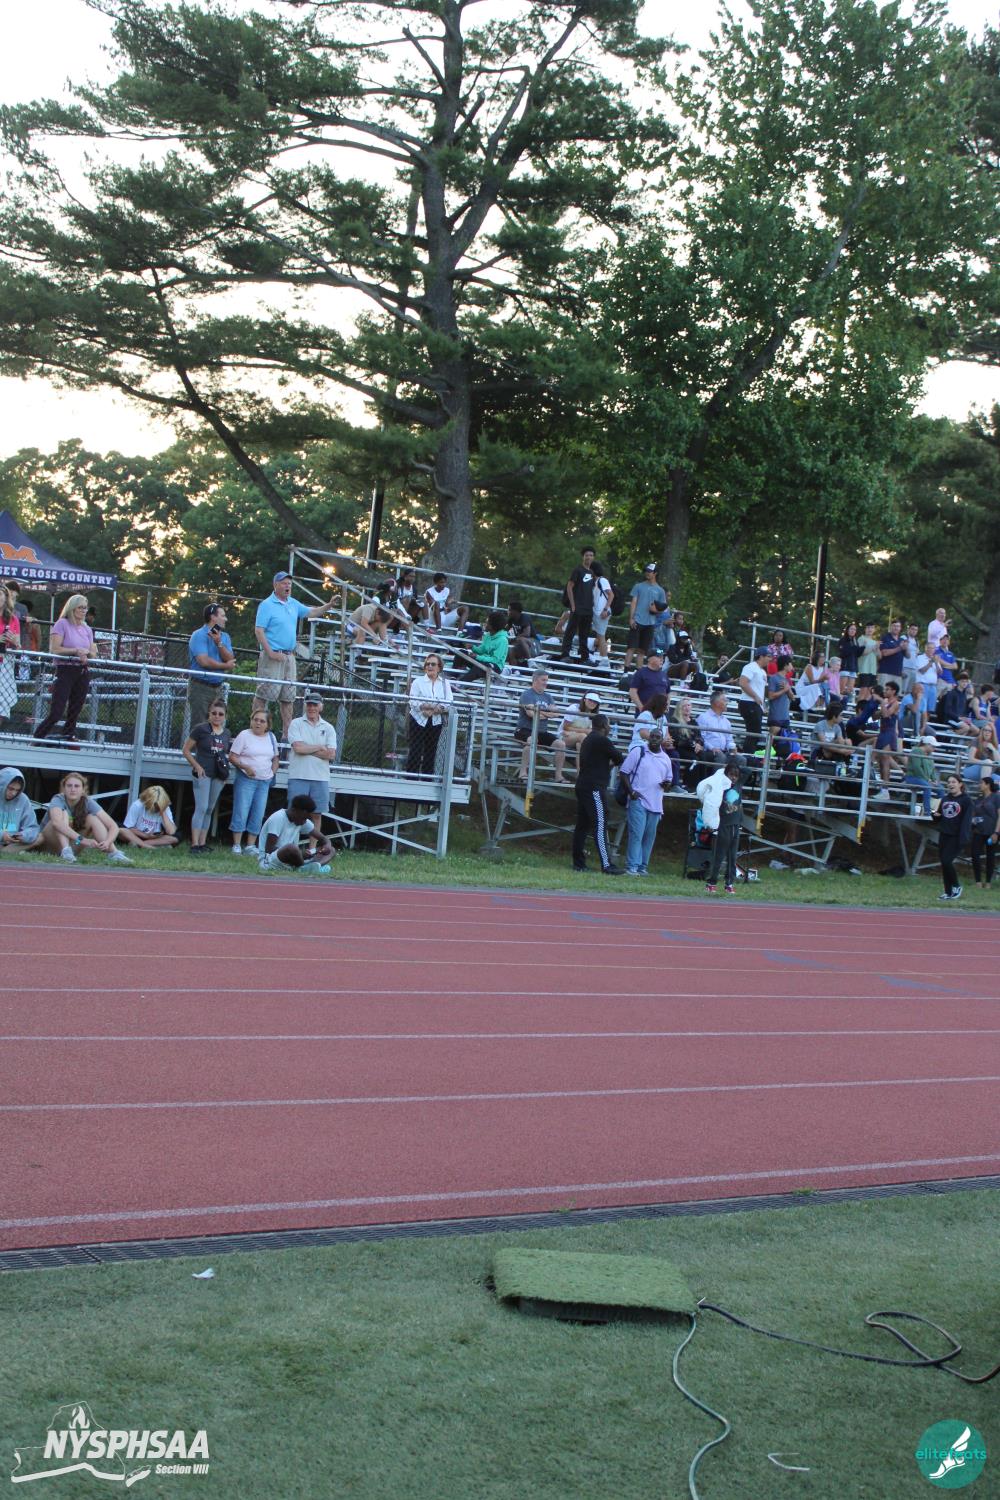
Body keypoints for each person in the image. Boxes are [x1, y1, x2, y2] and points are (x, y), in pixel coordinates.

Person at [254, 570, 337, 736]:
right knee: (264, 694)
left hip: (289, 656)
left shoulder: (293, 603)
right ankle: (255, 731)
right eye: (284, 583)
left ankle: (287, 735)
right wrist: (270, 653)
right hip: (272, 656)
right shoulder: (266, 605)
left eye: (290, 584)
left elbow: (311, 612)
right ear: (275, 585)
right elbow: (259, 630)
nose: (288, 586)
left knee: (288, 697)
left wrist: (328, 605)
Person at [32, 594, 97, 743]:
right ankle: (37, 738)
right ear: (72, 608)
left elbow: (93, 652)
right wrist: (75, 651)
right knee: (57, 711)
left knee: (75, 710)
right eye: (80, 607)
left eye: (85, 608)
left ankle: (68, 737)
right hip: (65, 670)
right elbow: (55, 649)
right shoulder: (62, 624)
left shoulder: (87, 629)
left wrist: (87, 653)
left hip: (82, 671)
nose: (84, 611)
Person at [29, 772, 132, 863]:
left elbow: (113, 825)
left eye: (77, 786)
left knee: (92, 818)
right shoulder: (58, 799)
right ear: (64, 789)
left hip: (73, 845)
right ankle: (66, 851)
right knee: (63, 815)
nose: (73, 789)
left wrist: (108, 841)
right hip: (47, 845)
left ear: (83, 790)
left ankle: (113, 853)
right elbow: (57, 823)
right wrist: (83, 840)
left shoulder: (87, 801)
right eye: (69, 786)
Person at [572, 713, 624, 874]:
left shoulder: (588, 739)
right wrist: (610, 764)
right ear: (603, 726)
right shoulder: (602, 740)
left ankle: (578, 863)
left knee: (582, 825)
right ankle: (606, 865)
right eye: (608, 725)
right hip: (594, 787)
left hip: (582, 785)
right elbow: (619, 757)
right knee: (600, 823)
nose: (609, 728)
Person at [182, 699, 232, 853]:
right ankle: (194, 844)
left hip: (218, 775)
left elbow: (225, 755)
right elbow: (186, 750)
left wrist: (225, 775)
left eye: (220, 714)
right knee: (201, 807)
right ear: (209, 714)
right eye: (214, 713)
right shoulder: (201, 729)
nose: (217, 716)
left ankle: (202, 843)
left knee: (210, 808)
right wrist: (196, 766)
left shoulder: (226, 733)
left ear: (225, 716)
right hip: (203, 774)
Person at [621, 727, 673, 876]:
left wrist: (666, 785)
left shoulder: (666, 758)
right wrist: (631, 792)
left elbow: (669, 781)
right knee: (636, 834)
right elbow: (624, 773)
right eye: (652, 736)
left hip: (656, 803)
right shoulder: (639, 751)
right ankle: (632, 866)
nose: (654, 739)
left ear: (662, 740)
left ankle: (642, 867)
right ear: (648, 737)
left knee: (649, 837)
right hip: (639, 800)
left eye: (658, 737)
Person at [229, 708, 279, 854]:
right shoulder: (244, 735)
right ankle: (236, 844)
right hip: (246, 779)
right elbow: (232, 756)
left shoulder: (271, 737)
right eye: (255, 720)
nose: (258, 723)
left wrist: (272, 773)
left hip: (264, 781)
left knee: (258, 812)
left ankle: (250, 845)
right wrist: (245, 767)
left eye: (262, 721)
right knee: (241, 810)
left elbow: (276, 758)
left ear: (268, 724)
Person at [287, 690, 338, 813]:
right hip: (298, 776)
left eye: (315, 705)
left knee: (317, 814)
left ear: (321, 707)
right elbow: (298, 748)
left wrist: (305, 749)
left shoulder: (329, 727)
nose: (312, 708)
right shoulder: (295, 723)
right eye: (309, 704)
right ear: (305, 706)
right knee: (295, 813)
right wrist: (320, 746)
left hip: (321, 778)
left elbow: (331, 754)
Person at [697, 761, 744, 894]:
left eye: (736, 775)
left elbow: (748, 771)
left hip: (735, 825)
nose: (733, 778)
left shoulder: (738, 786)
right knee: (719, 856)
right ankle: (711, 882)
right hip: (723, 825)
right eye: (731, 775)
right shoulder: (720, 786)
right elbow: (711, 804)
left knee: (732, 857)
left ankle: (729, 883)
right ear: (725, 774)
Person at [257, 794, 334, 873]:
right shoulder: (278, 818)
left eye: (306, 818)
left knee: (331, 850)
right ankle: (303, 868)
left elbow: (324, 839)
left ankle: (312, 866)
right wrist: (299, 854)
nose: (304, 822)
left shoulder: (301, 820)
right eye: (303, 818)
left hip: (293, 858)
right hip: (269, 860)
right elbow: (269, 849)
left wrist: (327, 846)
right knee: (291, 848)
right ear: (294, 810)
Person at [515, 669, 567, 783]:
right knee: (532, 740)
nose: (545, 683)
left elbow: (557, 714)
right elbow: (531, 714)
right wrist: (547, 713)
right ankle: (523, 772)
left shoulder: (548, 696)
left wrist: (539, 712)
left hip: (541, 731)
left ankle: (558, 776)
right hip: (524, 729)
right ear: (535, 680)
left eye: (546, 680)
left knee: (561, 744)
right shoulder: (527, 694)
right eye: (543, 680)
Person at [187, 602, 235, 726]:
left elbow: (230, 658)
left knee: (216, 726)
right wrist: (225, 666)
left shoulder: (225, 637)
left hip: (218, 688)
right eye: (223, 616)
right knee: (199, 726)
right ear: (213, 617)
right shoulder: (198, 635)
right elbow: (203, 661)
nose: (226, 619)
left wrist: (218, 643)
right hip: (200, 687)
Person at [407, 652, 454, 774]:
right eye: (427, 664)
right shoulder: (418, 682)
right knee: (415, 750)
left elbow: (449, 702)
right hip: (417, 720)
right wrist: (427, 706)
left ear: (439, 667)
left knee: (431, 751)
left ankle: (427, 779)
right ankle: (411, 779)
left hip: (435, 721)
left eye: (433, 664)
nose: (429, 666)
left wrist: (433, 710)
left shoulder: (445, 683)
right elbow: (412, 701)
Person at [932, 772, 971, 900]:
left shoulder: (966, 800)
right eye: (949, 782)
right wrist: (935, 815)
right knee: (944, 863)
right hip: (944, 834)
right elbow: (938, 817)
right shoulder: (945, 799)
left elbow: (967, 821)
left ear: (960, 784)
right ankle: (948, 891)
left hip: (956, 836)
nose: (950, 784)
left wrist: (963, 838)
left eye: (954, 782)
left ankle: (956, 886)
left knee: (947, 860)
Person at [624, 564, 667, 670]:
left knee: (642, 650)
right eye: (646, 571)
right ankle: (625, 672)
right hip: (637, 620)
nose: (647, 573)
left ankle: (639, 673)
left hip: (650, 623)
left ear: (655, 573)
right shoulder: (638, 586)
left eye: (650, 571)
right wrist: (631, 618)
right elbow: (634, 602)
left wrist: (656, 610)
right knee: (631, 647)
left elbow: (663, 608)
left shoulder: (660, 590)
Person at [560, 546, 597, 665]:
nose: (589, 557)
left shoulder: (592, 573)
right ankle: (565, 655)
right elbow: (569, 586)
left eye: (591, 555)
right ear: (583, 557)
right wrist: (573, 604)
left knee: (584, 634)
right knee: (570, 631)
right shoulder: (578, 570)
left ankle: (584, 657)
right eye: (587, 555)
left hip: (588, 608)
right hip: (577, 606)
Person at [969, 775, 1000, 889]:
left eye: (981, 783)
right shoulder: (978, 799)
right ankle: (978, 881)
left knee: (990, 856)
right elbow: (973, 814)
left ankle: (988, 882)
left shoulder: (996, 797)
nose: (979, 785)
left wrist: (996, 832)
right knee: (975, 854)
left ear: (988, 785)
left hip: (991, 832)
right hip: (978, 830)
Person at [696, 689, 741, 766]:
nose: (727, 702)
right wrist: (712, 748)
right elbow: (701, 738)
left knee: (741, 759)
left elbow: (729, 740)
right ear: (717, 703)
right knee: (721, 756)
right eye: (724, 700)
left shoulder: (726, 721)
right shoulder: (703, 717)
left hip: (724, 752)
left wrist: (732, 748)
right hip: (708, 752)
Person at [738, 646, 770, 755]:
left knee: (755, 733)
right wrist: (755, 696)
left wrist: (763, 706)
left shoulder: (763, 672)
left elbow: (762, 691)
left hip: (756, 704)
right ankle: (748, 757)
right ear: (761, 656)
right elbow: (743, 683)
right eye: (768, 656)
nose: (770, 659)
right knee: (753, 733)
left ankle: (750, 756)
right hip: (749, 702)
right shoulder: (751, 667)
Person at [903, 736, 944, 817]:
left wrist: (934, 780)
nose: (934, 748)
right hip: (913, 777)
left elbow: (932, 769)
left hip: (924, 779)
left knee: (941, 789)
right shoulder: (916, 751)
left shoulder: (930, 754)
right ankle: (927, 813)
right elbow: (917, 768)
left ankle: (936, 810)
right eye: (933, 746)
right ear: (927, 744)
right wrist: (928, 780)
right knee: (927, 787)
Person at [462, 610, 508, 681]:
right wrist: (473, 647)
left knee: (481, 666)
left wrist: (477, 657)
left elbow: (495, 660)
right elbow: (481, 650)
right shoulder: (488, 635)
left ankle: (459, 684)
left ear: (492, 625)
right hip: (483, 661)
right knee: (462, 653)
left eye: (487, 622)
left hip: (495, 666)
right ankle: (453, 677)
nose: (485, 624)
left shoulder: (503, 640)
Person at [0, 767, 39, 850]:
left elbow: (33, 827)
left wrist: (23, 835)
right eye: (11, 789)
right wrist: (2, 835)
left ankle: (7, 851)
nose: (13, 793)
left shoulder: (23, 799)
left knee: (41, 837)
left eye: (17, 790)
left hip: (13, 843)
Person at [560, 691, 600, 765]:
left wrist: (586, 732)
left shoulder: (594, 715)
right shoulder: (573, 708)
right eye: (590, 700)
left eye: (595, 701)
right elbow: (565, 727)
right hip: (564, 736)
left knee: (580, 744)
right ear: (584, 699)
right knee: (583, 736)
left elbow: (591, 731)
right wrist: (585, 731)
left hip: (580, 739)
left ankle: (580, 771)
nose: (592, 703)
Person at [0, 584, 20, 723]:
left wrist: (14, 641)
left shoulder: (12, 619)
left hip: (5, 665)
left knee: (2, 705)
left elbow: (18, 646)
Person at [812, 704, 853, 769]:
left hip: (829, 750)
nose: (842, 718)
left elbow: (841, 742)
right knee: (827, 749)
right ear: (834, 716)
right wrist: (841, 751)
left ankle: (845, 767)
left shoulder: (837, 727)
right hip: (818, 751)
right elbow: (823, 744)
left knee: (847, 741)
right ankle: (843, 767)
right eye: (841, 715)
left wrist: (846, 745)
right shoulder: (820, 725)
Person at [766, 661, 794, 755]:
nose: (792, 667)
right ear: (785, 665)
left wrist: (788, 689)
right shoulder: (774, 678)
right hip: (776, 714)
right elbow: (770, 696)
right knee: (772, 740)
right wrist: (784, 690)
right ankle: (766, 759)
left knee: (783, 743)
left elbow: (792, 697)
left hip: (785, 715)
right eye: (790, 664)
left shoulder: (787, 679)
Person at [589, 563, 614, 662]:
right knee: (599, 635)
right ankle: (601, 656)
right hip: (597, 612)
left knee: (601, 635)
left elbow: (611, 595)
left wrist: (605, 609)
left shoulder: (602, 580)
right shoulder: (596, 581)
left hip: (602, 612)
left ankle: (604, 658)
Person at [506, 600, 539, 665]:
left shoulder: (524, 617)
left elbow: (527, 634)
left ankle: (530, 661)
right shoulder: (511, 619)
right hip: (522, 644)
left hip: (533, 643)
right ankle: (514, 669)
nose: (507, 611)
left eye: (509, 610)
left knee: (520, 639)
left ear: (515, 611)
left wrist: (514, 638)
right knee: (511, 652)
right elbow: (504, 631)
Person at [914, 642, 942, 718]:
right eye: (929, 648)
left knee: (930, 709)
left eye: (933, 648)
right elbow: (922, 671)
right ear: (926, 649)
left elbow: (940, 672)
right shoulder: (920, 658)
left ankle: (925, 724)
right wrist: (931, 662)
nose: (931, 650)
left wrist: (936, 663)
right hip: (923, 685)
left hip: (933, 686)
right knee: (922, 708)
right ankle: (918, 723)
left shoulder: (935, 659)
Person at [877, 618, 905, 688]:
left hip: (898, 673)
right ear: (890, 627)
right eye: (894, 626)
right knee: (883, 692)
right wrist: (900, 648)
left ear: (900, 628)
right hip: (885, 672)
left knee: (896, 694)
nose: (896, 628)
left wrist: (907, 648)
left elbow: (908, 656)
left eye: (898, 626)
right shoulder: (885, 638)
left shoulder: (902, 640)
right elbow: (884, 653)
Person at [856, 623, 879, 687]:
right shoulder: (861, 639)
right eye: (868, 627)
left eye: (872, 628)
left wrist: (878, 648)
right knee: (863, 689)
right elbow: (861, 653)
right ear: (865, 629)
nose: (870, 629)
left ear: (874, 630)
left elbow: (879, 656)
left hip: (873, 670)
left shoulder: (875, 642)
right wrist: (873, 648)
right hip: (864, 669)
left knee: (870, 690)